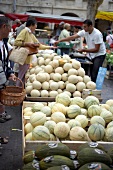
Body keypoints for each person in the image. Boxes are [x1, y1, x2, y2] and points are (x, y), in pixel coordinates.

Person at [14, 17, 56, 87]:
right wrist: (28, 44)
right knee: (21, 77)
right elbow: (16, 42)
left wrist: (50, 47)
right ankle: (17, 92)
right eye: (35, 26)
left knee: (24, 77)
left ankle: (21, 92)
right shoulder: (24, 31)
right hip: (23, 58)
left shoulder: (31, 34)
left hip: (27, 59)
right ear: (31, 25)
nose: (35, 28)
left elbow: (39, 45)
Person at [0, 16, 16, 123]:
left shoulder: (4, 43)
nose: (11, 30)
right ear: (4, 26)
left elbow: (5, 61)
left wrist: (9, 72)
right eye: (10, 27)